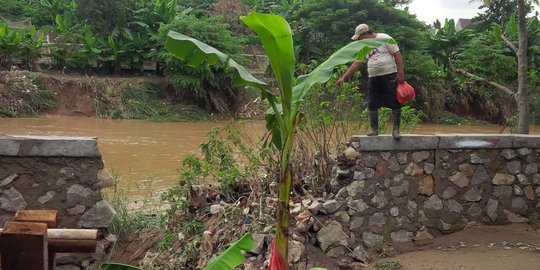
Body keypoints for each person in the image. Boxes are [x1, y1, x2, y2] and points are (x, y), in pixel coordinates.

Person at [335, 23, 405, 140]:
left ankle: (396, 130)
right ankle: (374, 129)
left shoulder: (385, 38)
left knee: (394, 100)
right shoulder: (364, 46)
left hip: (389, 74)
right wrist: (344, 77)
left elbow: (397, 55)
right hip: (373, 76)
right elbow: (358, 62)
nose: (359, 40)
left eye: (360, 37)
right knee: (372, 102)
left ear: (365, 34)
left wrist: (400, 73)